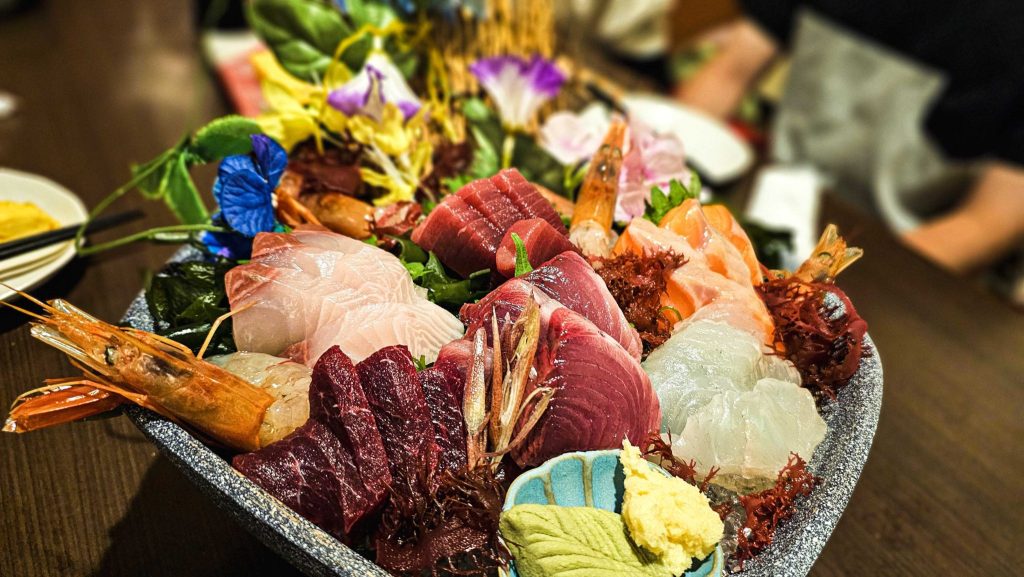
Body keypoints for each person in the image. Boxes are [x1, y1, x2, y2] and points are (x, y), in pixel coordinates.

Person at [674, 1, 1024, 299]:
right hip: (770, 206)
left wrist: (823, 284)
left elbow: (990, 221)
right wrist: (665, 167)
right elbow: (729, 71)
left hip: (901, 257)